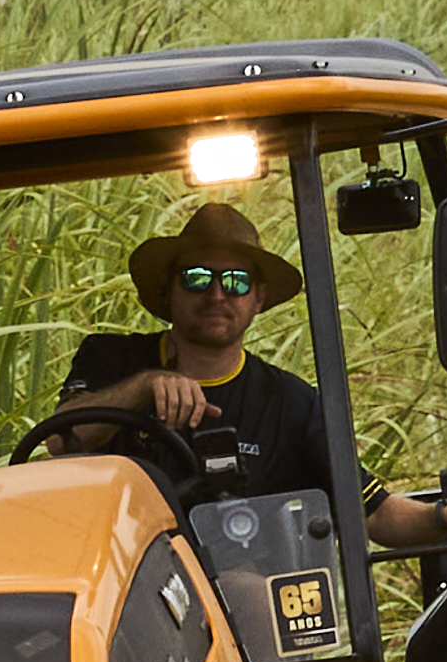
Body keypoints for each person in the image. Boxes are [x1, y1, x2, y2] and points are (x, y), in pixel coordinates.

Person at [37, 204, 350, 509]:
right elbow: (60, 441)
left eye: (236, 281)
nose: (216, 295)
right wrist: (144, 386)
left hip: (241, 563)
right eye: (197, 278)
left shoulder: (291, 403)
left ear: (259, 298)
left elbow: (373, 511)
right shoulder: (111, 357)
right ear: (169, 288)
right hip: (122, 559)